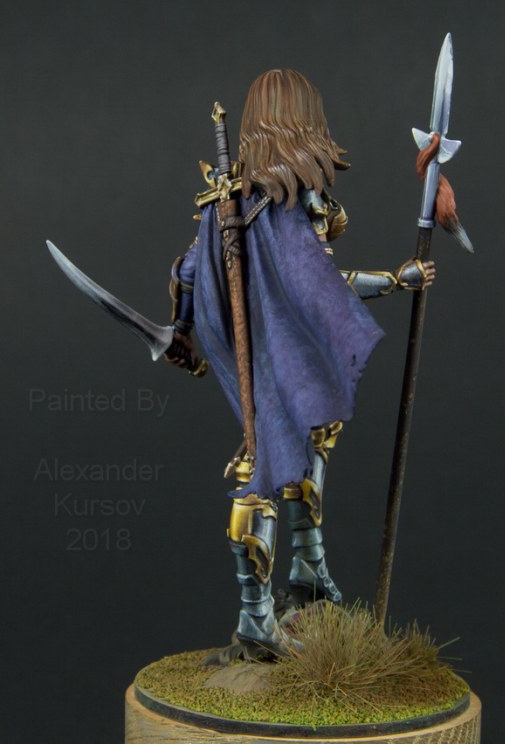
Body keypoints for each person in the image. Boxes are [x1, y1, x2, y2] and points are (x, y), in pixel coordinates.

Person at [166, 69, 435, 660]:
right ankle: (256, 620)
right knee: (261, 469)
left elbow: (184, 274)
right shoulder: (286, 203)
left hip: (281, 355)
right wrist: (398, 279)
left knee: (308, 446)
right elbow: (322, 286)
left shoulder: (225, 203)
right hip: (275, 360)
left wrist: (179, 330)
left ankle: (308, 576)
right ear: (301, 125)